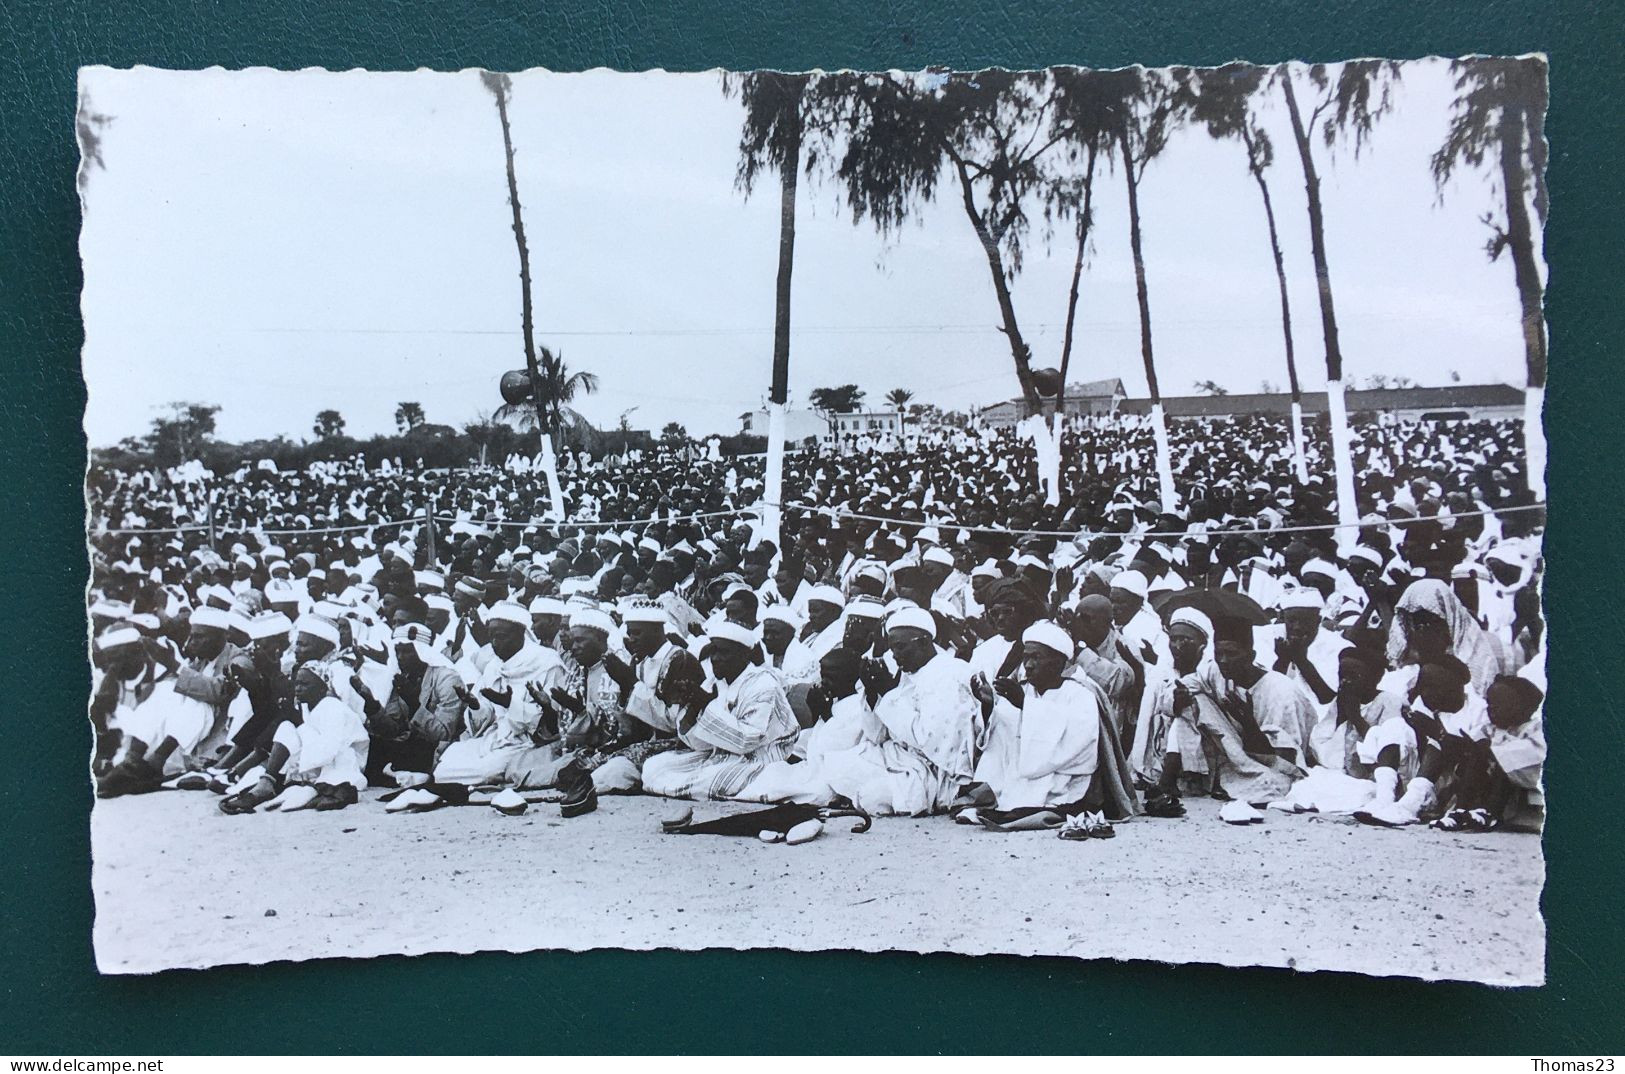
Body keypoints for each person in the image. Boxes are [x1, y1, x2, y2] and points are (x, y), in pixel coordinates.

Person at [817, 607, 988, 815]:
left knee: (872, 795)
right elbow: (876, 736)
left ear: (924, 642)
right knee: (835, 763)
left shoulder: (947, 675)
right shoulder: (909, 673)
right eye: (892, 649)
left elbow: (934, 744)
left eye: (900, 647)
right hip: (898, 757)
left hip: (932, 771)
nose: (895, 656)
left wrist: (888, 694)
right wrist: (873, 695)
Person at [640, 618, 800, 800]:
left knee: (716, 780)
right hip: (721, 756)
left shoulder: (764, 684)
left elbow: (748, 741)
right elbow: (700, 745)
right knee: (654, 766)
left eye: (724, 652)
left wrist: (705, 706)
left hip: (759, 758)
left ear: (744, 656)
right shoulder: (713, 682)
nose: (715, 658)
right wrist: (691, 710)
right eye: (713, 651)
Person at [968, 621, 1101, 813]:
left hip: (1061, 776)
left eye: (1036, 658)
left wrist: (1025, 706)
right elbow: (1002, 734)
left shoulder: (1080, 694)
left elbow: (1078, 740)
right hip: (1019, 775)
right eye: (1026, 658)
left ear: (1058, 661)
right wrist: (988, 705)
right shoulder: (1023, 691)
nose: (1028, 665)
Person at [219, 661, 370, 812]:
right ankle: (268, 781)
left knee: (296, 729)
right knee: (286, 727)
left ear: (322, 687)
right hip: (319, 760)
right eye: (297, 683)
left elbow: (328, 752)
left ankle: (307, 786)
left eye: (305, 684)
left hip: (344, 761)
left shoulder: (333, 707)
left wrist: (299, 724)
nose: (298, 689)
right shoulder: (307, 706)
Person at [363, 623, 466, 785]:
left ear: (422, 651)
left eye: (407, 651)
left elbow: (443, 734)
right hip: (409, 745)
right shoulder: (402, 677)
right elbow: (393, 729)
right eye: (398, 651)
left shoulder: (447, 678)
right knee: (370, 744)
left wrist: (413, 704)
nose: (400, 657)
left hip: (438, 749)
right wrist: (372, 705)